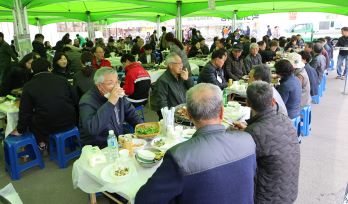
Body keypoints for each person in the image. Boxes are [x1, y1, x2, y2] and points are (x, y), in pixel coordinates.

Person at [136, 83, 257, 204]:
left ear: (188, 115)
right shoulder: (248, 141)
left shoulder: (179, 157)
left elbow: (143, 199)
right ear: (221, 112)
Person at [243, 81, 300, 203]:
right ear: (273, 101)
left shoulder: (253, 132)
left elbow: (243, 166)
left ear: (247, 103)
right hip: (289, 191)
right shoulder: (286, 120)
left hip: (268, 198)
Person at [13, 58, 78, 150]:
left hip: (48, 127)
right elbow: (75, 99)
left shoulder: (29, 86)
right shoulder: (62, 80)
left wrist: (20, 130)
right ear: (49, 68)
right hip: (70, 121)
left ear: (32, 70)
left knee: (32, 118)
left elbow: (25, 112)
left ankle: (42, 142)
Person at [79, 67, 143, 147]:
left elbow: (131, 114)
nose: (116, 87)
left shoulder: (118, 95)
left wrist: (143, 128)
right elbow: (92, 129)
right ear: (99, 86)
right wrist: (111, 102)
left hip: (117, 140)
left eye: (117, 82)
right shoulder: (87, 101)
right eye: (110, 83)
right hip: (99, 147)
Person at [150, 53, 193, 119]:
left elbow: (192, 90)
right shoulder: (163, 81)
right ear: (170, 65)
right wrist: (169, 117)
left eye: (182, 63)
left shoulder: (182, 75)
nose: (181, 66)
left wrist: (187, 79)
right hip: (173, 115)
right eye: (178, 63)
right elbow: (161, 103)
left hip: (184, 110)